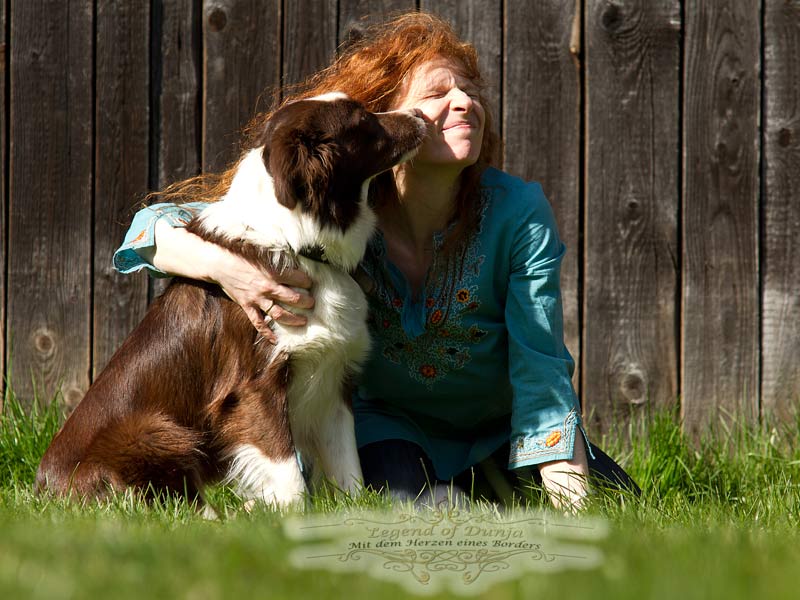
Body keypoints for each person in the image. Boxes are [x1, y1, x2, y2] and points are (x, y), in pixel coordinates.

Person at [114, 12, 638, 511]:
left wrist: (573, 506)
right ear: (387, 119)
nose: (465, 104)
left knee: (621, 504)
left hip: (500, 433)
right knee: (404, 506)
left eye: (472, 93)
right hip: (388, 434)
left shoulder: (518, 214)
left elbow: (540, 368)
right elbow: (151, 227)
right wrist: (233, 271)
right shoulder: (339, 214)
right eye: (437, 94)